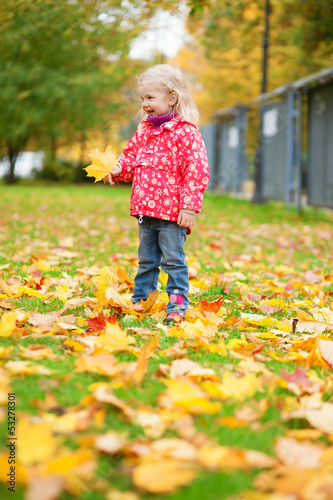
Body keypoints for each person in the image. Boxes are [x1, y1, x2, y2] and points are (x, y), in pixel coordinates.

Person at [104, 64, 209, 324]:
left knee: (173, 261)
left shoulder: (186, 133)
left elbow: (196, 171)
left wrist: (189, 207)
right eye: (142, 98)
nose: (145, 104)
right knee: (146, 260)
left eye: (150, 98)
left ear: (172, 98)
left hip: (172, 213)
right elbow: (130, 160)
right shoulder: (144, 130)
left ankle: (177, 305)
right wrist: (117, 168)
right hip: (145, 212)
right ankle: (142, 301)